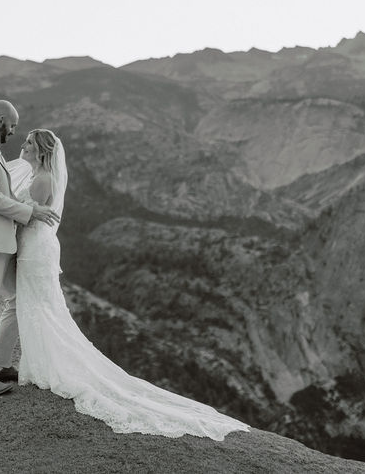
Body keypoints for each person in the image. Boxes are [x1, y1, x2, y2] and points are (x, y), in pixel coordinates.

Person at [13, 128, 250, 439]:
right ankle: (39, 363)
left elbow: (28, 217)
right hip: (37, 246)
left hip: (35, 248)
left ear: (41, 150)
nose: (23, 145)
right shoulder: (41, 176)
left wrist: (8, 208)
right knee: (41, 306)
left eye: (29, 142)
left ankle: (50, 366)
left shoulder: (43, 179)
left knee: (41, 307)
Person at [0, 100, 60, 396]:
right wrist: (32, 213)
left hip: (2, 240)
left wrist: (29, 209)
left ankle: (1, 363)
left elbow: (4, 194)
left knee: (19, 298)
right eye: (13, 126)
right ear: (0, 120)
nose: (14, 132)